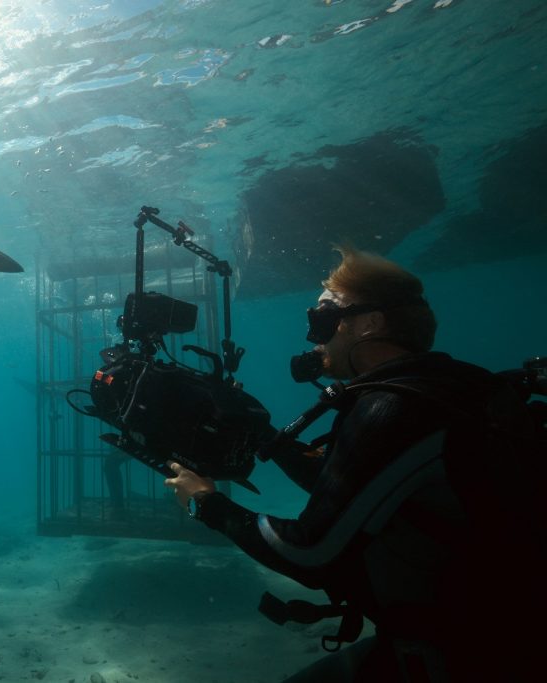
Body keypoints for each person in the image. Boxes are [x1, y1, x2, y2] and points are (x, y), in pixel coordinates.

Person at [164, 245, 543, 682]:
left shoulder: (390, 411)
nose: (315, 337)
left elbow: (309, 553)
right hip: (509, 632)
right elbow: (358, 488)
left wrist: (206, 503)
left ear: (370, 323)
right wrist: (265, 435)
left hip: (463, 657)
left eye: (323, 319)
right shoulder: (455, 386)